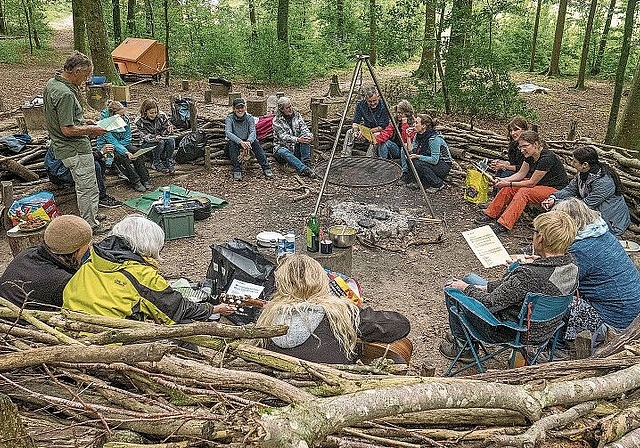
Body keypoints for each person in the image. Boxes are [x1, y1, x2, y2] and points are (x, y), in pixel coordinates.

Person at [439, 210, 579, 359]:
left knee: (453, 290)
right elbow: (530, 286)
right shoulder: (572, 266)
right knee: (470, 279)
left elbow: (491, 302)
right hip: (547, 328)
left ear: (540, 238)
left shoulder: (529, 274)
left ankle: (464, 346)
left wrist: (465, 288)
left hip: (512, 331)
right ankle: (462, 332)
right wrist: (533, 263)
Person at [63, 215, 234, 323]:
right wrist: (213, 309)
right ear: (148, 246)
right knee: (183, 329)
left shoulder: (95, 258)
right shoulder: (141, 275)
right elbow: (175, 309)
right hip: (110, 342)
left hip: (73, 327)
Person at [256, 254, 410, 364]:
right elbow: (400, 325)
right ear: (321, 281)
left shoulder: (266, 319)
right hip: (333, 396)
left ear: (280, 285)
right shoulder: (339, 312)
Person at [553, 198, 640, 340]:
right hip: (631, 313)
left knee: (553, 299)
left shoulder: (581, 249)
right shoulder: (601, 233)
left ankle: (558, 341)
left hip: (615, 321)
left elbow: (557, 282)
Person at [43, 51, 109, 234]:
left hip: (66, 146)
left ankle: (92, 215)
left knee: (87, 185)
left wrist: (83, 122)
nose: (86, 79)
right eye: (85, 74)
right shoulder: (65, 94)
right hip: (74, 148)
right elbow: (67, 129)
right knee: (87, 186)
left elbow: (62, 118)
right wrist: (91, 130)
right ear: (76, 71)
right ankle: (90, 224)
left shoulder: (53, 83)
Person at [476, 130, 569, 234]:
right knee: (509, 187)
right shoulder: (530, 156)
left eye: (525, 146)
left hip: (555, 190)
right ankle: (490, 213)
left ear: (536, 144)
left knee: (524, 192)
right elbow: (520, 174)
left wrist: (508, 183)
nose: (522, 150)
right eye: (521, 147)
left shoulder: (546, 158)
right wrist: (504, 180)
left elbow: (531, 183)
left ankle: (504, 224)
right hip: (540, 185)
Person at [0, 215, 92, 311]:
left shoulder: (27, 252)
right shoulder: (61, 280)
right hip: (23, 323)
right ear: (76, 249)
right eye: (86, 245)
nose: (89, 248)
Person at [542, 146, 629, 236]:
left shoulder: (604, 182)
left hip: (611, 223)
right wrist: (553, 197)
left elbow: (587, 204)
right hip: (593, 212)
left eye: (575, 161)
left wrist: (557, 203)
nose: (572, 163)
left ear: (585, 165)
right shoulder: (582, 174)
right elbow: (570, 189)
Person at [97, 101, 152, 192]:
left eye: (123, 114)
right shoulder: (104, 123)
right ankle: (135, 181)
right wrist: (125, 151)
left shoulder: (125, 119)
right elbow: (111, 140)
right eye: (120, 115)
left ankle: (145, 178)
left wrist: (122, 148)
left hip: (122, 143)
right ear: (112, 115)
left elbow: (128, 137)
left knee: (136, 152)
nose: (123, 117)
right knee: (122, 157)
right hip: (107, 146)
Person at [45, 145, 122, 209]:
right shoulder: (68, 141)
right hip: (59, 174)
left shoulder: (77, 137)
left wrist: (101, 155)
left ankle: (97, 189)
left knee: (100, 161)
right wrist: (101, 152)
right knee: (94, 165)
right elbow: (83, 159)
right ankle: (101, 197)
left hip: (65, 168)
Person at [341, 87, 400, 159]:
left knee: (375, 136)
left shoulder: (384, 106)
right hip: (366, 130)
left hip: (377, 131)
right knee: (350, 132)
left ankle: (369, 158)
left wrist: (366, 132)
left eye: (374, 100)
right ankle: (345, 157)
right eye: (370, 101)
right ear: (366, 100)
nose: (372, 103)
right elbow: (355, 122)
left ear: (378, 97)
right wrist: (356, 131)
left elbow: (382, 127)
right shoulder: (361, 105)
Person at [399, 114, 452, 192]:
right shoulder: (418, 135)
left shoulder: (433, 138)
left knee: (418, 163)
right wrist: (408, 137)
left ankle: (438, 184)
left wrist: (418, 156)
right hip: (432, 162)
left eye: (416, 123)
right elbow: (411, 151)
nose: (414, 125)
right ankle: (418, 181)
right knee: (410, 159)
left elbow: (434, 160)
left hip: (443, 165)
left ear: (423, 126)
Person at [224, 97, 273, 181]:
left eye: (242, 107)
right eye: (237, 108)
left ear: (245, 108)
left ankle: (266, 167)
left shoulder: (249, 118)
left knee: (256, 143)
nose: (240, 110)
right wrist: (240, 142)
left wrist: (249, 141)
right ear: (234, 109)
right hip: (234, 142)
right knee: (232, 143)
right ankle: (237, 169)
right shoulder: (230, 118)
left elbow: (253, 131)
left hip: (247, 141)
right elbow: (228, 133)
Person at [272, 97, 316, 178]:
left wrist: (309, 136)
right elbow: (283, 137)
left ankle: (306, 163)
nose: (290, 109)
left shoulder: (297, 115)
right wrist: (297, 139)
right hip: (282, 149)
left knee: (305, 137)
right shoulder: (276, 121)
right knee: (283, 151)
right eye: (287, 107)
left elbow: (304, 128)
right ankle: (304, 169)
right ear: (281, 109)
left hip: (295, 148)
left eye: (290, 106)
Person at [135, 99, 176, 174]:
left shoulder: (162, 116)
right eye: (151, 113)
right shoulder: (139, 121)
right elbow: (144, 136)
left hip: (161, 140)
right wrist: (154, 138)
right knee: (160, 142)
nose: (154, 115)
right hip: (146, 145)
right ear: (145, 111)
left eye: (155, 112)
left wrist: (168, 129)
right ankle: (156, 162)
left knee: (171, 140)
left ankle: (169, 161)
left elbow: (166, 129)